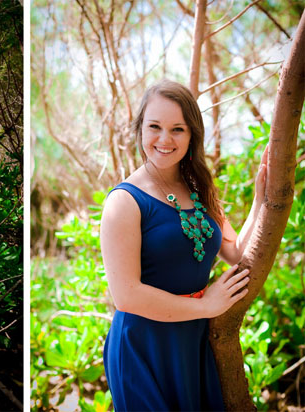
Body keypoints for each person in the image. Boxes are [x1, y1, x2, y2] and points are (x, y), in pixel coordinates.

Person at [100, 80, 267, 411]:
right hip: (144, 347)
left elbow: (234, 251)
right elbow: (126, 296)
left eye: (177, 129)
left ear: (192, 135)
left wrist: (261, 201)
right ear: (140, 129)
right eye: (155, 127)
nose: (165, 139)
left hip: (194, 341)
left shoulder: (198, 187)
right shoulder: (124, 201)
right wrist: (207, 306)